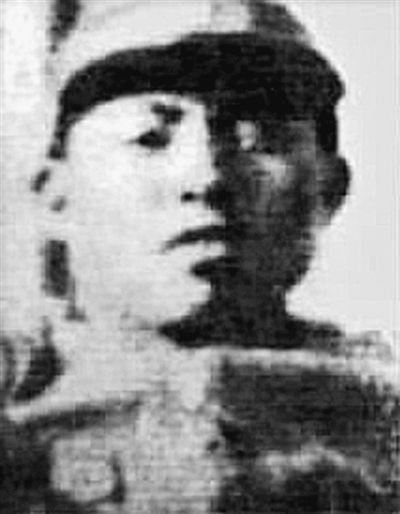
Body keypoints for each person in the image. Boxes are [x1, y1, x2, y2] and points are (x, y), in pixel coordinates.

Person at [1, 1, 398, 513]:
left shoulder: (380, 422)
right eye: (149, 138)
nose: (206, 176)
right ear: (55, 196)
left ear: (329, 190)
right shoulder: (18, 427)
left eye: (258, 140)